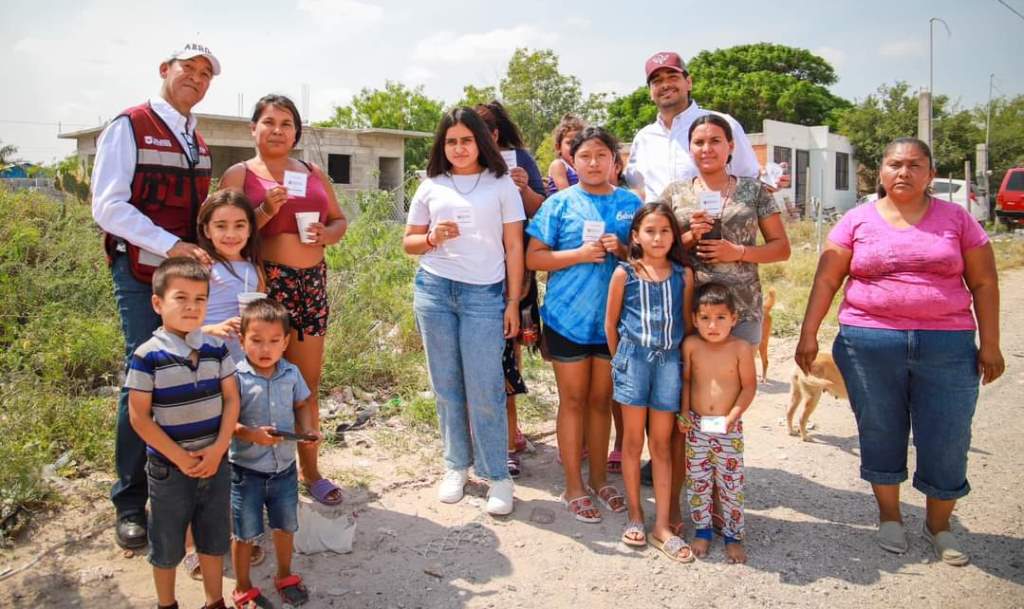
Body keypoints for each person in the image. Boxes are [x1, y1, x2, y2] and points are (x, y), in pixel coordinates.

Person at [796, 137, 1004, 566]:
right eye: (894, 164)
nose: (903, 172)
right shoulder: (856, 221)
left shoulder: (958, 220)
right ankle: (889, 517)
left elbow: (984, 282)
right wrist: (808, 334)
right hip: (868, 343)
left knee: (947, 436)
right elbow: (826, 280)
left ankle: (939, 526)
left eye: (914, 165)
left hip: (947, 345)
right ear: (881, 172)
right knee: (880, 429)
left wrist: (992, 344)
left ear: (930, 173)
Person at [91, 42, 221, 550]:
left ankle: (181, 484)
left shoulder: (197, 141)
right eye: (187, 68)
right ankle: (129, 501)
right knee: (142, 375)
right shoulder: (130, 125)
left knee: (184, 375)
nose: (196, 77)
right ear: (165, 70)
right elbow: (108, 207)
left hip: (182, 276)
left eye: (205, 72)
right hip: (143, 272)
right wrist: (172, 246)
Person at [219, 94, 348, 506]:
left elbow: (338, 219)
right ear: (252, 129)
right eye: (269, 122)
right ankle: (253, 476)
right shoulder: (239, 175)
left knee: (305, 384)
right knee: (255, 384)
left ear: (296, 131)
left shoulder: (311, 172)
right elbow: (223, 232)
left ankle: (311, 472)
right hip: (266, 286)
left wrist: (328, 235)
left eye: (287, 123)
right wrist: (261, 212)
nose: (278, 130)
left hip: (311, 284)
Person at [402, 107, 525, 516]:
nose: (459, 148)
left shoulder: (501, 185)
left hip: (484, 296)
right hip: (435, 291)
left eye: (466, 140)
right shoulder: (431, 185)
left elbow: (514, 248)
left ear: (482, 142)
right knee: (447, 385)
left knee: (486, 386)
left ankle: (498, 476)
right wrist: (431, 237)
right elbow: (409, 244)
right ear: (443, 145)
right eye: (451, 141)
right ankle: (456, 465)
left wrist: (512, 302)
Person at [526, 127, 640, 522]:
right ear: (571, 161)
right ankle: (573, 485)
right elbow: (534, 258)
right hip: (565, 318)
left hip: (614, 322)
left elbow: (645, 258)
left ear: (615, 161)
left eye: (601, 156)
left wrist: (622, 249)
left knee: (601, 402)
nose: (593, 163)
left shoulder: (630, 203)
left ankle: (599, 481)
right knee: (572, 401)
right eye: (585, 156)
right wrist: (577, 254)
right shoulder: (559, 204)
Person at [125, 257, 239, 609]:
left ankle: (213, 600)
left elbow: (232, 400)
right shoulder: (147, 356)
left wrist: (220, 447)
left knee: (214, 537)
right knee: (166, 543)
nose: (192, 307)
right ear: (158, 303)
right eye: (181, 298)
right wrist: (179, 457)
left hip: (215, 463)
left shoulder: (216, 348)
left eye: (200, 299)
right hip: (169, 470)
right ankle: (167, 602)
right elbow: (140, 419)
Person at [605, 202, 694, 560]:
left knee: (661, 444)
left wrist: (684, 365)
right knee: (631, 442)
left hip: (669, 364)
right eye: (650, 231)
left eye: (665, 231)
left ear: (674, 236)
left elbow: (686, 323)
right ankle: (636, 514)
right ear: (636, 236)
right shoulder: (624, 273)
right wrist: (621, 361)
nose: (658, 238)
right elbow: (610, 325)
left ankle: (662, 525)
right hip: (633, 361)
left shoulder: (683, 275)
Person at [230, 299, 320, 609]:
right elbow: (226, 422)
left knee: (285, 526)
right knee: (245, 533)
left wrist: (308, 431)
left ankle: (284, 575)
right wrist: (249, 434)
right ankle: (243, 586)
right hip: (246, 472)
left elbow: (303, 405)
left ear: (285, 342)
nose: (264, 348)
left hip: (284, 469)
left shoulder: (291, 374)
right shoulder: (236, 378)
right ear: (241, 341)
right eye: (256, 341)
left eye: (273, 341)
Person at [475, 101, 546, 477]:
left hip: (511, 272)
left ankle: (508, 437)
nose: (472, 142)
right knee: (473, 357)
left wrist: (522, 189)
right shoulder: (458, 164)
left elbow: (542, 211)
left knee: (508, 354)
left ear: (496, 135)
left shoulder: (520, 161)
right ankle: (479, 436)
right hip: (469, 274)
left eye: (482, 133)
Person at [679, 283, 756, 565]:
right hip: (697, 426)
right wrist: (684, 412)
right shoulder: (691, 345)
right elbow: (687, 380)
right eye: (705, 318)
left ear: (734, 319)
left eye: (721, 317)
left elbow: (748, 387)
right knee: (698, 481)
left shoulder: (741, 348)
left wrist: (732, 418)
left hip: (728, 427)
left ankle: (733, 536)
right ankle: (703, 531)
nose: (713, 325)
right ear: (695, 319)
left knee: (730, 483)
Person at [626, 51, 761, 202]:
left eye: (673, 77)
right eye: (657, 81)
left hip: (713, 222)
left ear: (689, 82)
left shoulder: (723, 124)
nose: (665, 85)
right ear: (650, 92)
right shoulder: (643, 138)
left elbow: (750, 179)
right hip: (660, 224)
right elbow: (636, 188)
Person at [198, 190, 264, 364]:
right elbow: (177, 325)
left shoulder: (254, 269)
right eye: (221, 226)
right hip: (204, 357)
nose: (231, 234)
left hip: (242, 363)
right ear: (206, 230)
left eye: (239, 225)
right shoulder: (201, 267)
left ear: (250, 229)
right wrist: (213, 329)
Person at [545, 114, 586, 195]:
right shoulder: (559, 165)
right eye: (570, 143)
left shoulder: (582, 166)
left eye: (579, 142)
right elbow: (566, 195)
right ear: (558, 147)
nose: (575, 146)